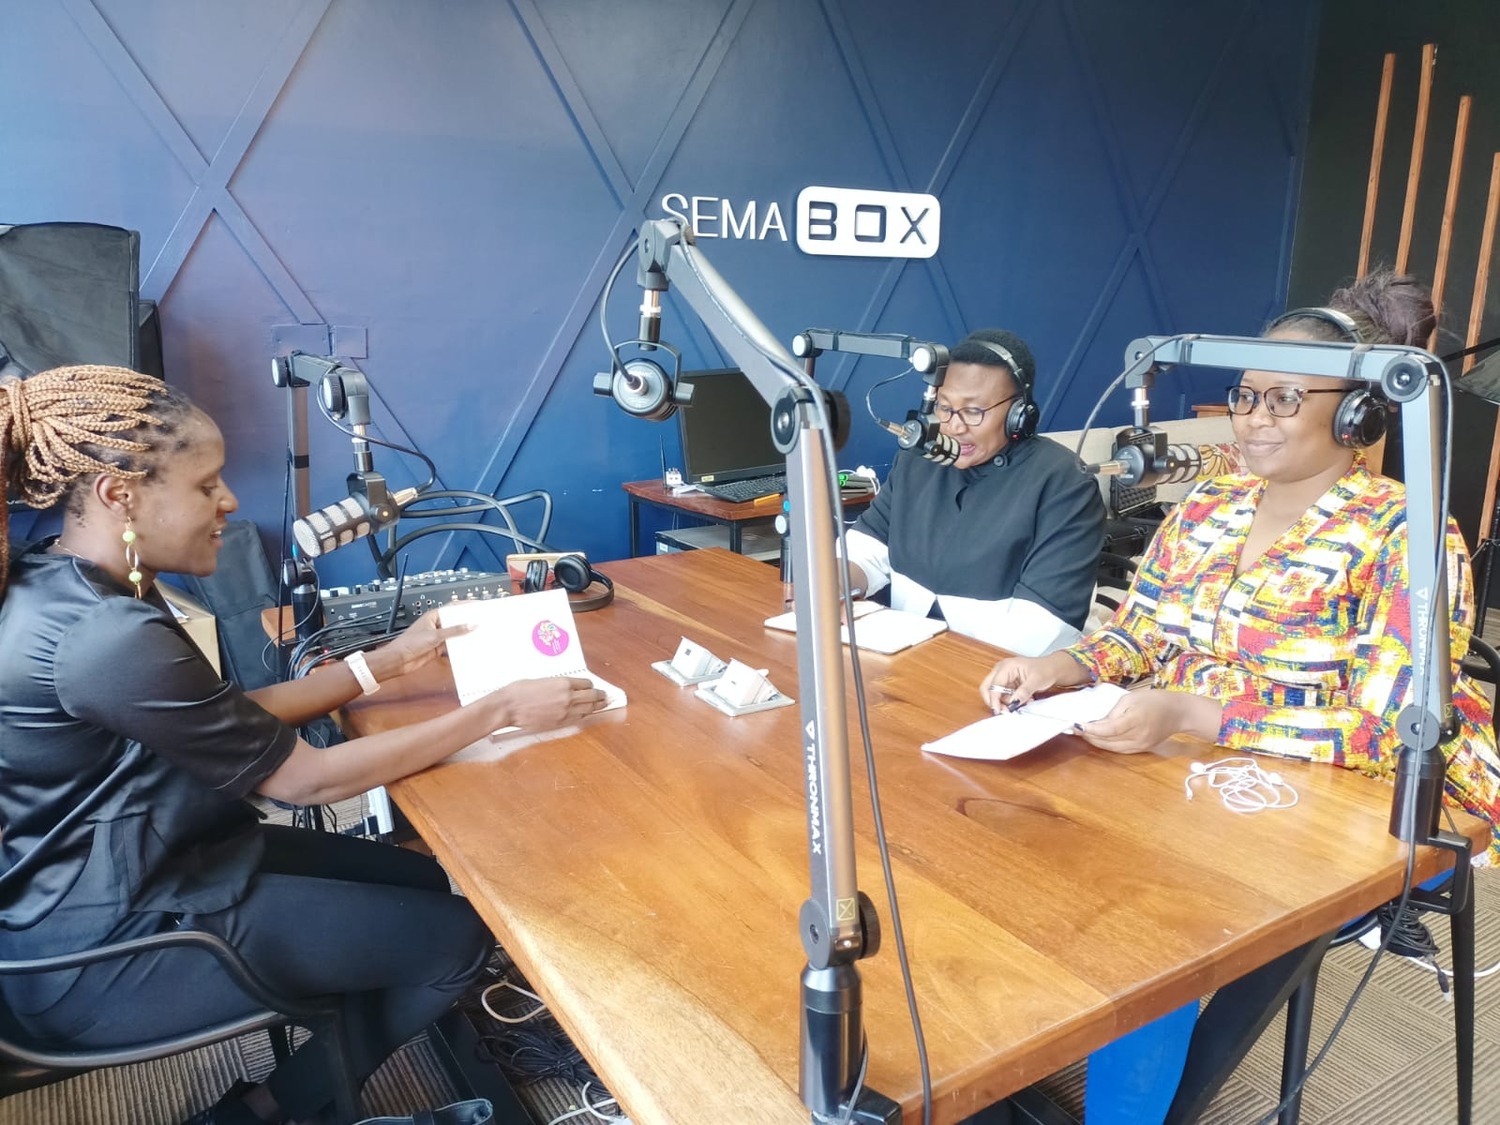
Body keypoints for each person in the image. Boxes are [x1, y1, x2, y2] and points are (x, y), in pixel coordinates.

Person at [0, 365, 608, 1125]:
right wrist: (499, 708)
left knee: (428, 887)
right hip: (103, 951)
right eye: (206, 485)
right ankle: (266, 1110)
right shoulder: (105, 636)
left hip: (149, 868)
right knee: (456, 939)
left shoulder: (71, 581)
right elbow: (310, 781)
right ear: (119, 494)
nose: (229, 502)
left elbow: (225, 715)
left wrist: (379, 662)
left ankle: (324, 1053)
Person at [976, 271, 1500, 1124]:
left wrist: (1197, 714)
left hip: (1325, 803)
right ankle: (996, 1073)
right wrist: (1068, 665)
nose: (1254, 417)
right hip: (1172, 768)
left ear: (1359, 414)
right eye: (1247, 393)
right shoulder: (1208, 506)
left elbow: (1392, 731)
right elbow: (1140, 635)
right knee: (1011, 842)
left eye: (1285, 399)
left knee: (1155, 921)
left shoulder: (1407, 532)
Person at [843, 328, 1106, 655]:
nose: (953, 426)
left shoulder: (1066, 484)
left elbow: (1043, 628)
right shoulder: (917, 460)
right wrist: (836, 586)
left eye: (973, 411)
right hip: (903, 663)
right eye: (944, 407)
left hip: (1007, 675)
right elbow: (864, 550)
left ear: (1018, 415)